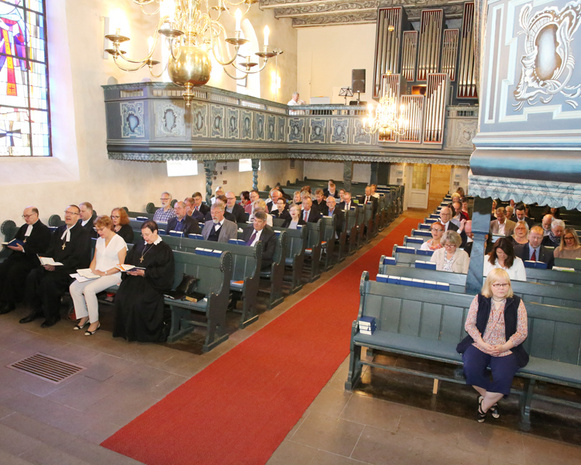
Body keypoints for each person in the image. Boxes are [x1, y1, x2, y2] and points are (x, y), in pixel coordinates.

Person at [456, 269, 528, 423]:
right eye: (497, 284)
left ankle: (484, 406)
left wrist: (504, 346)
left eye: (505, 284)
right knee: (471, 369)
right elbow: (469, 325)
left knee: (503, 377)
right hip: (480, 344)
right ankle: (492, 402)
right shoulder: (480, 299)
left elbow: (522, 332)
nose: (501, 288)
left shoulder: (517, 303)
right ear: (490, 285)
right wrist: (482, 342)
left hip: (506, 348)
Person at [20, 205, 91, 327]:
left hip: (71, 269)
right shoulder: (60, 230)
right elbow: (50, 249)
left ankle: (52, 315)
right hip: (54, 266)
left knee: (49, 281)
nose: (68, 215)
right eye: (67, 212)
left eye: (72, 213)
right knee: (33, 275)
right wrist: (47, 261)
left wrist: (57, 266)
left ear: (78, 216)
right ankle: (37, 310)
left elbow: (78, 257)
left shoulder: (83, 233)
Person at [113, 221, 174, 343]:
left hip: (152, 283)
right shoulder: (139, 245)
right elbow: (129, 260)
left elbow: (164, 271)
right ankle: (124, 331)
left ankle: (139, 334)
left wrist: (145, 273)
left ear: (155, 232)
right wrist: (128, 270)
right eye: (143, 235)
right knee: (121, 297)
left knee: (138, 301)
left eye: (147, 234)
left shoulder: (164, 249)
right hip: (134, 280)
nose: (145, 238)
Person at [69, 216, 127, 336]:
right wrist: (89, 272)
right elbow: (95, 259)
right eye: (97, 230)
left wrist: (104, 273)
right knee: (74, 287)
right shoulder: (100, 240)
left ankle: (94, 321)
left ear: (109, 226)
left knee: (89, 289)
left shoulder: (119, 241)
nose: (99, 232)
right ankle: (84, 316)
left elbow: (121, 265)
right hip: (98, 273)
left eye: (101, 229)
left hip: (113, 274)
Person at [0, 206, 51, 315]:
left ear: (36, 215)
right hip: (19, 257)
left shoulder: (43, 230)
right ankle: (2, 300)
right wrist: (12, 246)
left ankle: (10, 302)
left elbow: (42, 248)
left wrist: (23, 249)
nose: (26, 218)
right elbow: (17, 240)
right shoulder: (24, 227)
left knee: (13, 271)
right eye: (24, 216)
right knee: (3, 268)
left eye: (28, 216)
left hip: (32, 259)